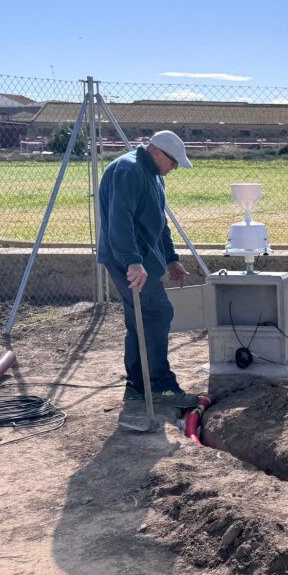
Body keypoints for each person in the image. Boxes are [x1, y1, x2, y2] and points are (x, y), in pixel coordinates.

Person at [98, 130, 200, 410]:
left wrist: (171, 259)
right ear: (156, 152)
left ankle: (137, 387)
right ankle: (160, 386)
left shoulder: (154, 175)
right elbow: (120, 220)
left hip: (141, 258)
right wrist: (132, 261)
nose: (175, 167)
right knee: (157, 313)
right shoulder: (128, 170)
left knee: (140, 320)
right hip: (126, 258)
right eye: (173, 161)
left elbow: (160, 222)